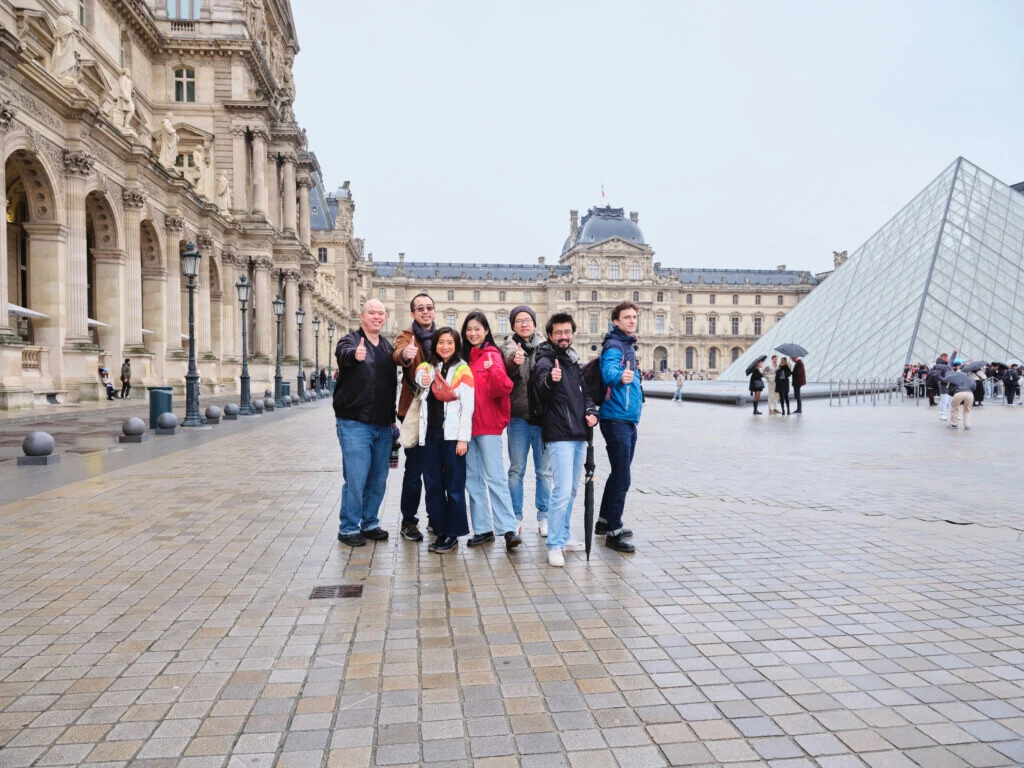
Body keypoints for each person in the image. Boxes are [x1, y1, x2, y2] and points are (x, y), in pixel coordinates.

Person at [529, 313, 599, 567]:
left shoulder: (571, 360)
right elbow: (540, 385)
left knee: (570, 490)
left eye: (567, 332)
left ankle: (565, 535)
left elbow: (586, 395)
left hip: (578, 433)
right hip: (558, 434)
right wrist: (550, 380)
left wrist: (591, 412)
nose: (563, 336)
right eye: (558, 332)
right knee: (561, 491)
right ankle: (555, 544)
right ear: (550, 335)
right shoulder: (545, 359)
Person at [333, 299, 396, 547]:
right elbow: (343, 355)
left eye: (381, 313)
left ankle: (369, 523)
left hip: (382, 424)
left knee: (378, 478)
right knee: (357, 478)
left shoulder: (387, 347)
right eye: (372, 313)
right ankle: (348, 528)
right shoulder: (349, 340)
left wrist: (392, 419)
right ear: (362, 316)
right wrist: (354, 355)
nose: (377, 317)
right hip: (354, 422)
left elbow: (390, 387)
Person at [461, 312, 521, 551]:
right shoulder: (467, 358)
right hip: (467, 428)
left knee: (495, 478)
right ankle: (483, 528)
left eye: (477, 329)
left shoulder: (491, 355)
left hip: (488, 426)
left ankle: (507, 528)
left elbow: (503, 388)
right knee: (472, 479)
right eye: (469, 329)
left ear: (486, 331)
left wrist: (493, 369)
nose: (473, 333)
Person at [414, 328, 474, 553]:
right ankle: (440, 530)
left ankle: (453, 534)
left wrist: (463, 439)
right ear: (435, 345)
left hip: (452, 438)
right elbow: (417, 383)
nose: (445, 346)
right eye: (441, 342)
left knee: (455, 487)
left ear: (456, 344)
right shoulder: (427, 366)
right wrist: (423, 381)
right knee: (433, 486)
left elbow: (468, 407)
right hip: (430, 436)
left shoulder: (463, 369)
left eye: (450, 342)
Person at [501, 305, 552, 536]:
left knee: (543, 472)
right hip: (518, 418)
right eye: (519, 320)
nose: (524, 323)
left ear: (534, 323)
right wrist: (514, 362)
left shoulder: (546, 348)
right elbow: (504, 373)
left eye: (527, 319)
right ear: (513, 325)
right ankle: (515, 517)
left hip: (542, 420)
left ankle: (545, 517)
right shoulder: (507, 348)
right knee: (516, 470)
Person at [596, 301, 641, 553]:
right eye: (626, 317)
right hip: (616, 418)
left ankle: (604, 522)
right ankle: (614, 532)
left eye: (634, 316)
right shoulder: (615, 345)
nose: (631, 320)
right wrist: (619, 376)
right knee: (623, 475)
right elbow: (609, 371)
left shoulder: (626, 344)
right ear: (616, 321)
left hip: (625, 417)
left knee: (617, 472)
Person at [392, 292, 436, 542]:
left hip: (439, 414)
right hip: (413, 413)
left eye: (428, 307)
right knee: (414, 470)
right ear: (412, 314)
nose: (425, 311)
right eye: (420, 308)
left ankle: (434, 516)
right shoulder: (407, 337)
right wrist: (405, 355)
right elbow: (398, 353)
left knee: (436, 469)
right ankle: (409, 520)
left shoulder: (443, 337)